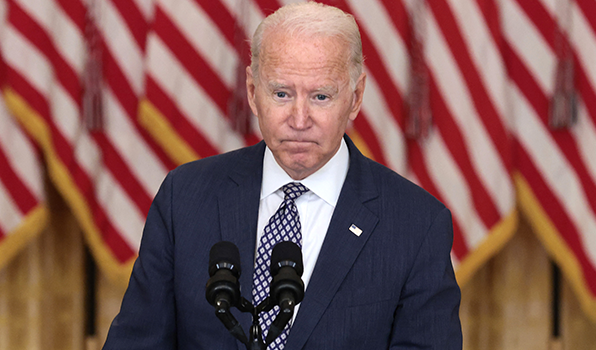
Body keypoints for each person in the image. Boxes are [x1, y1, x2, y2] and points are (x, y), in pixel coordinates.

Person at [102, 2, 461, 349]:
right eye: (281, 93)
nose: (299, 119)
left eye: (321, 96)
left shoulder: (417, 225)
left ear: (355, 96)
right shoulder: (185, 198)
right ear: (253, 92)